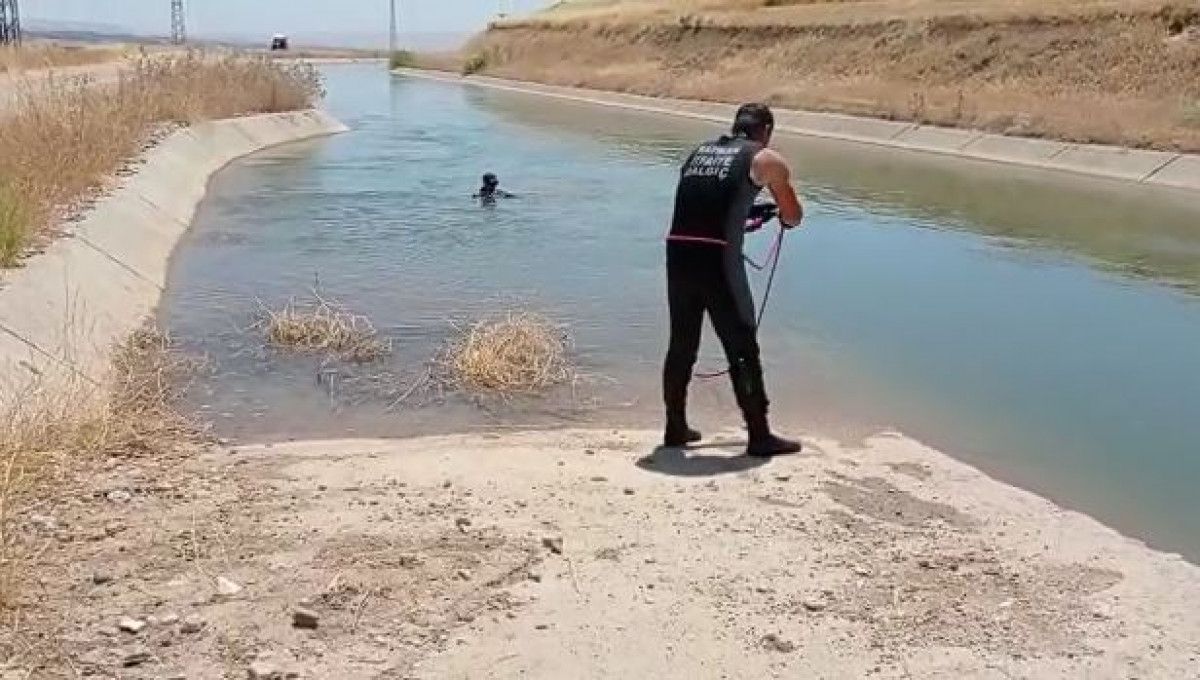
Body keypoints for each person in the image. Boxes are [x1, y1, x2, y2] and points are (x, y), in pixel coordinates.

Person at [662, 102, 804, 458]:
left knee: (681, 345)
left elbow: (707, 203)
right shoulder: (765, 158)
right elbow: (793, 216)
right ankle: (760, 435)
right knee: (742, 347)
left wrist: (745, 213)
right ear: (766, 131)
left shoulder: (698, 153)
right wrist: (779, 214)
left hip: (678, 254)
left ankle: (675, 427)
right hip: (717, 260)